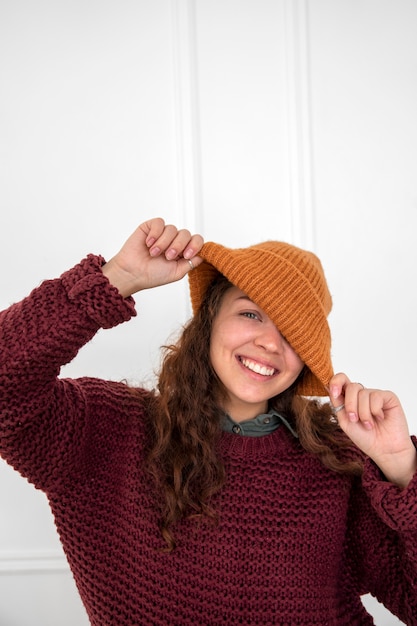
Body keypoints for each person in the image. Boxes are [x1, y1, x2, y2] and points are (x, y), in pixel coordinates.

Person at [0, 216, 416, 626]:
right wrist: (116, 278)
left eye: (293, 333)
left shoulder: (341, 463)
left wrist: (402, 465)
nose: (271, 343)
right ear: (210, 319)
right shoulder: (104, 430)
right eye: (251, 314)